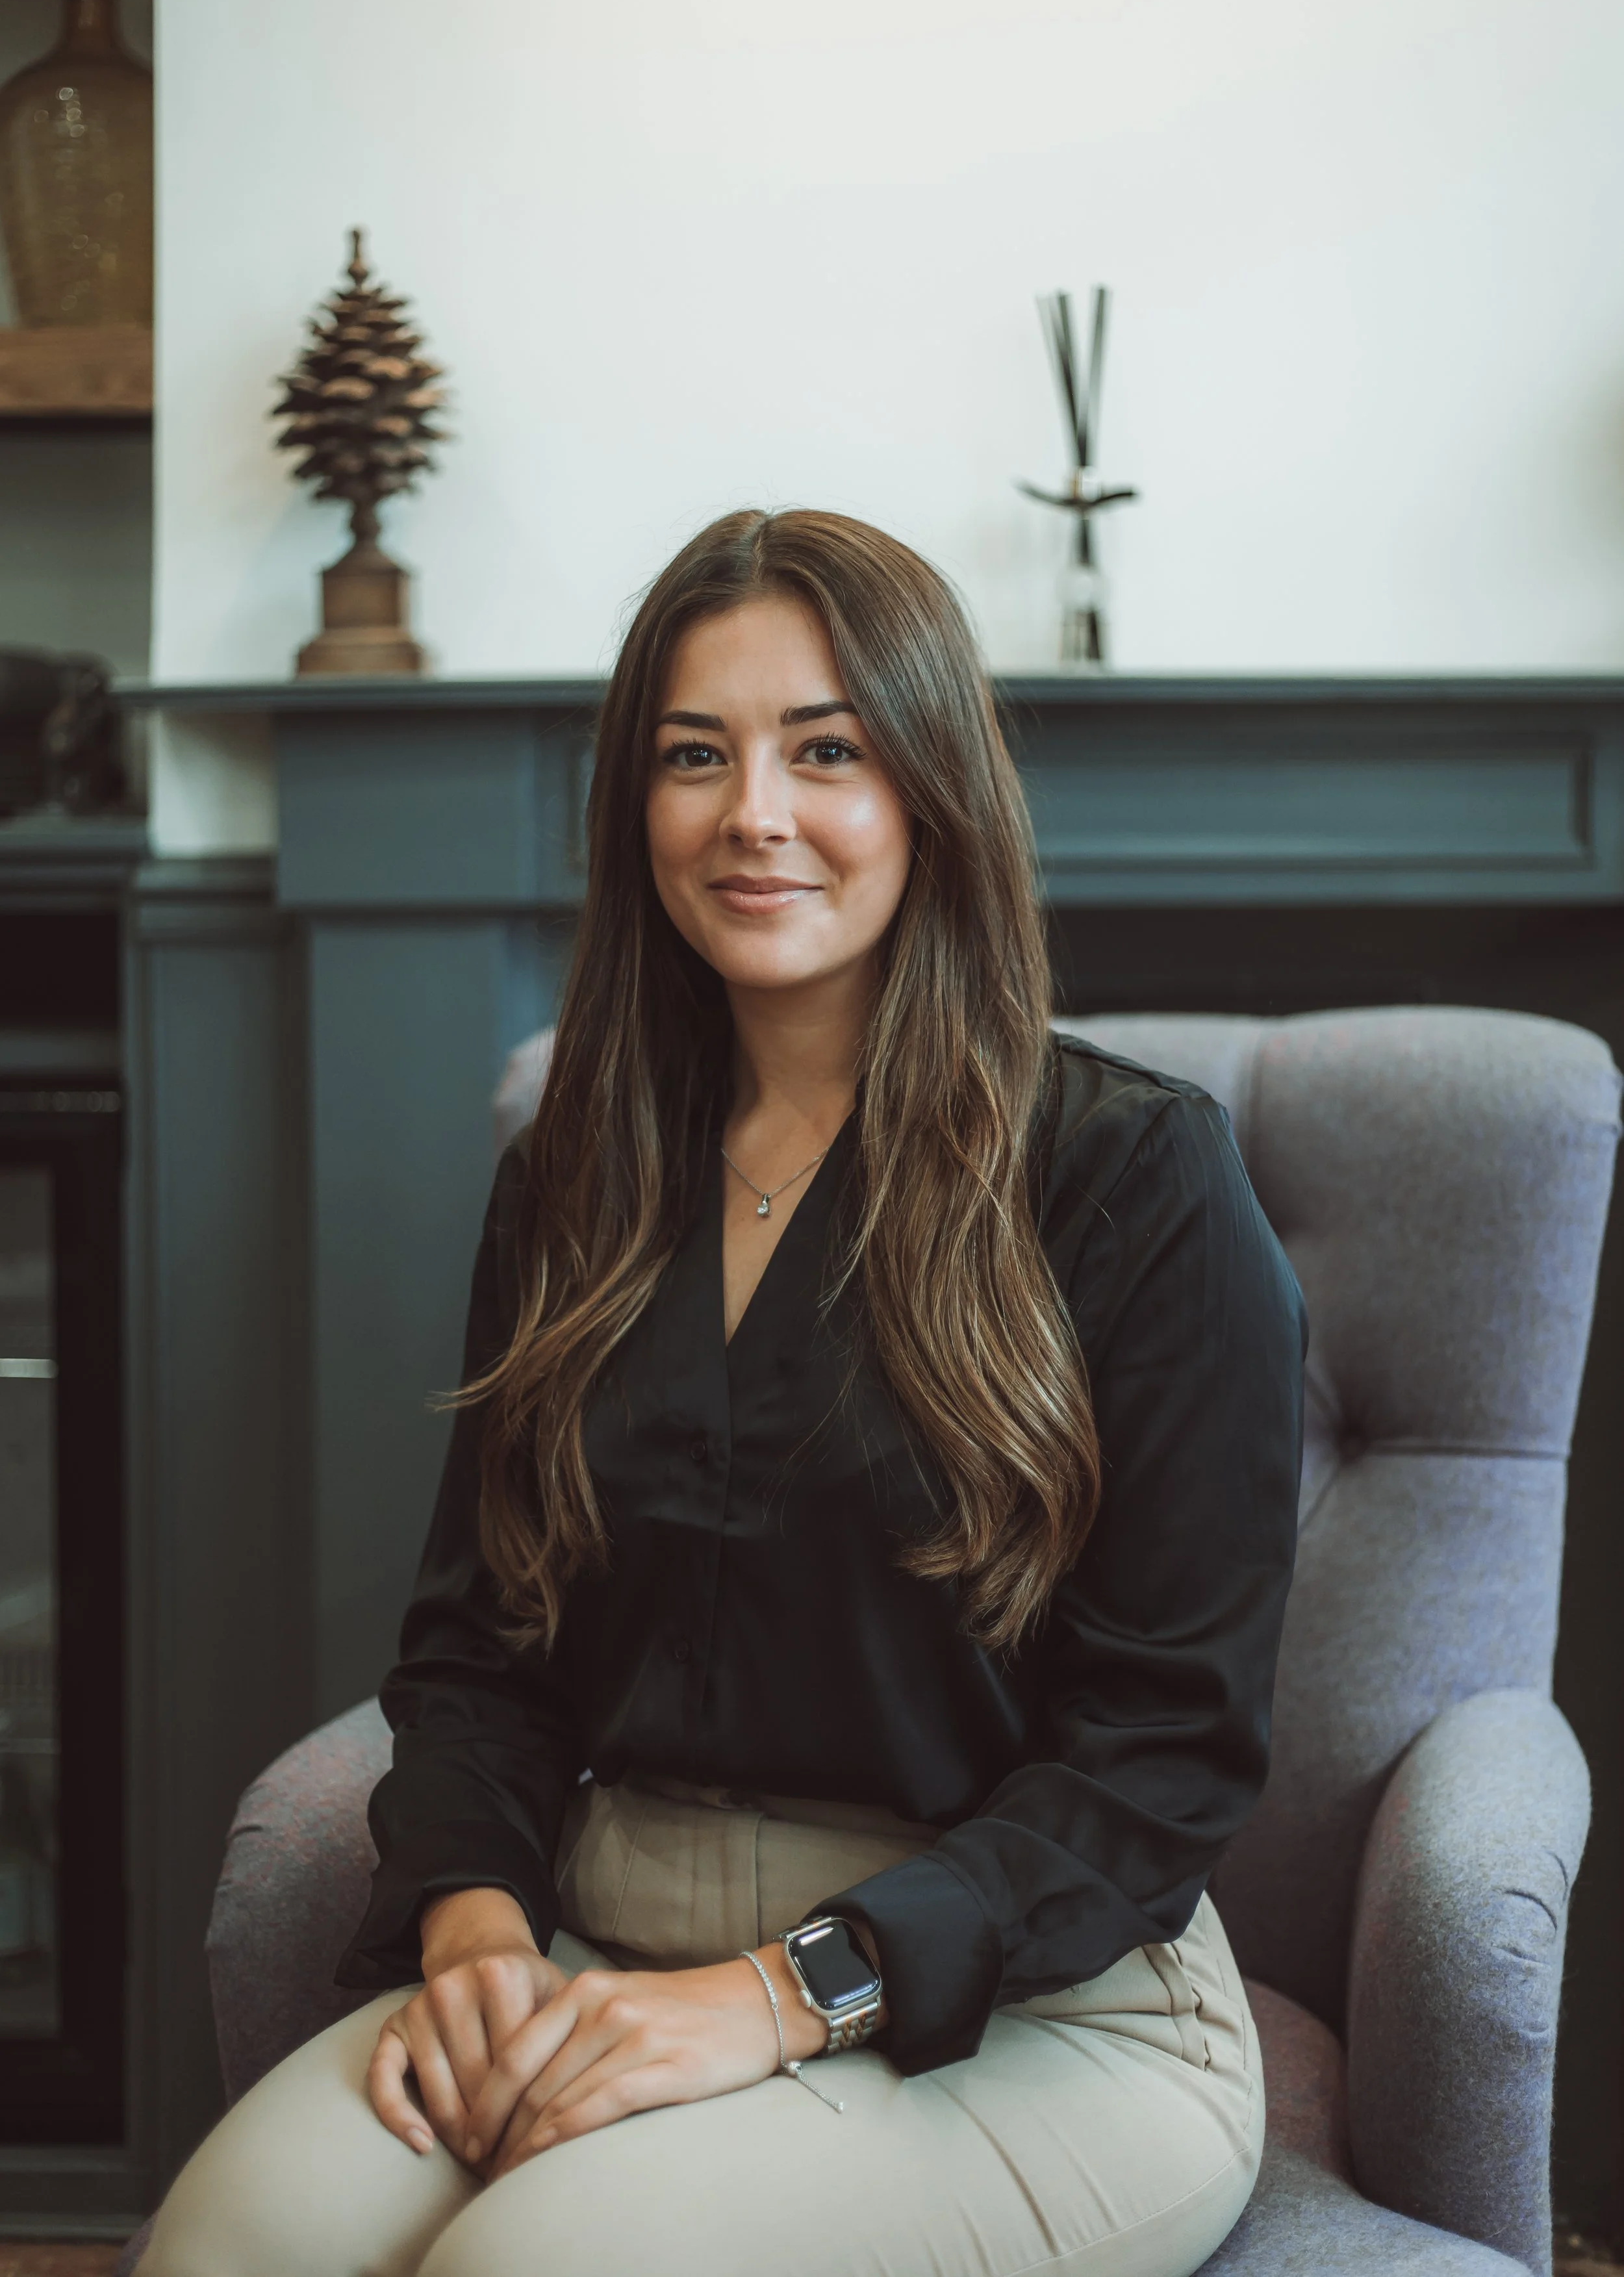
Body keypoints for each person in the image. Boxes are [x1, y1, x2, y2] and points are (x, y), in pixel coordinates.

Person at [145, 508, 1305, 2277]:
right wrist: (474, 1939)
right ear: (638, 804)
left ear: (928, 787)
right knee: (234, 2244)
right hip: (605, 1948)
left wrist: (780, 1993)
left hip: (1035, 2006)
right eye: (695, 755)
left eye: (823, 749)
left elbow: (1158, 1763)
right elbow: (478, 1652)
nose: (752, 812)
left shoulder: (1135, 1179)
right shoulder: (574, 1176)